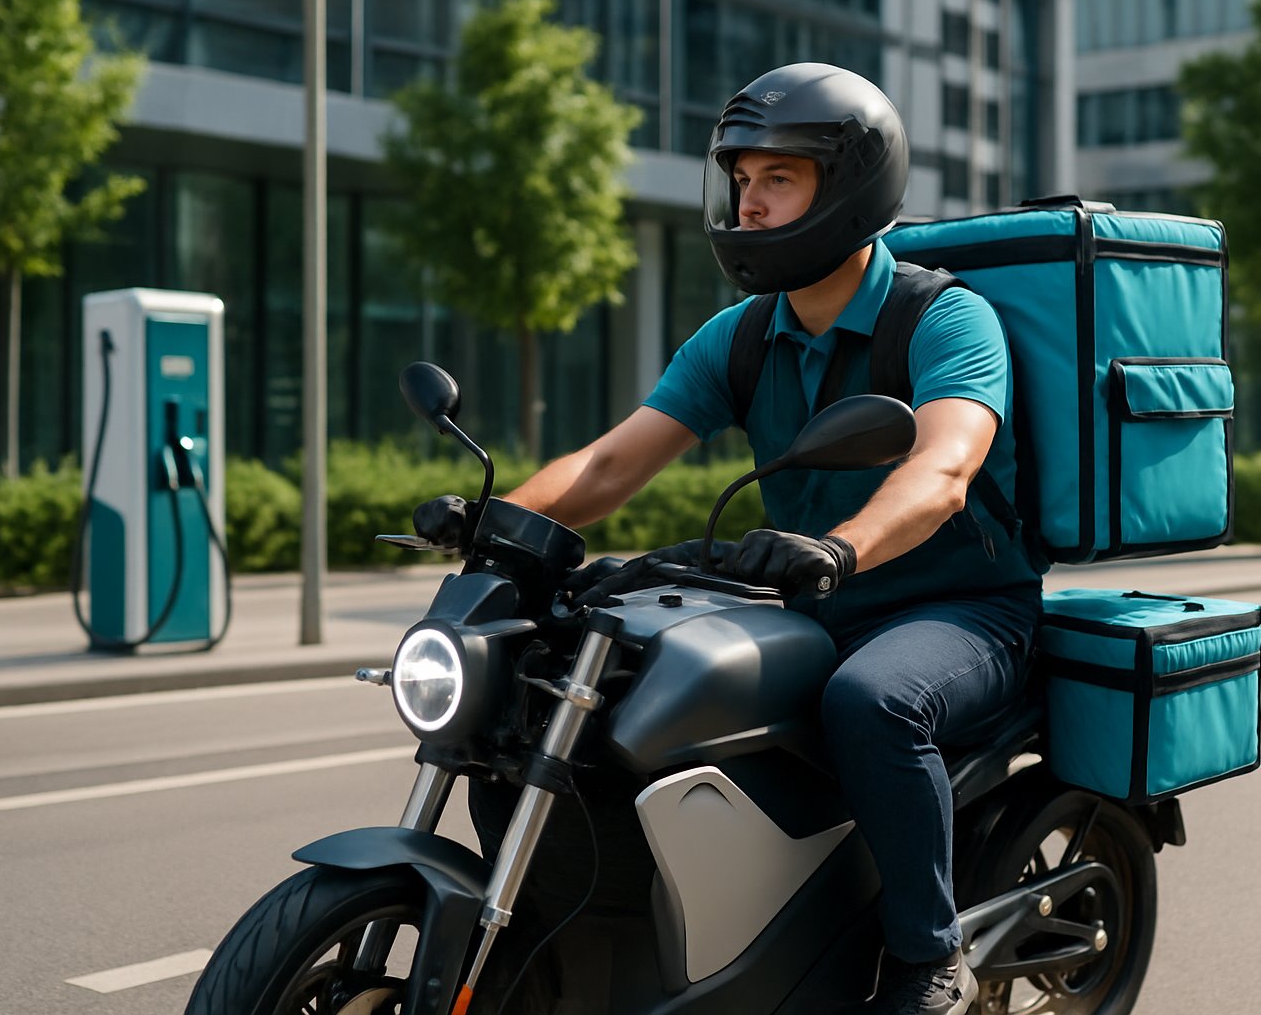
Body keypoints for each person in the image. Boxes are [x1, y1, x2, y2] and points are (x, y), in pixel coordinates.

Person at [415, 62, 1041, 1015]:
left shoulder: (945, 318)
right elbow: (612, 465)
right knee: (595, 681)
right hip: (807, 598)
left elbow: (943, 472)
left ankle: (928, 955)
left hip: (953, 609)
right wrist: (496, 524)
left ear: (849, 187)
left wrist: (839, 547)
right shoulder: (743, 336)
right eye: (740, 180)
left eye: (778, 179)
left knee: (872, 702)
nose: (748, 205)